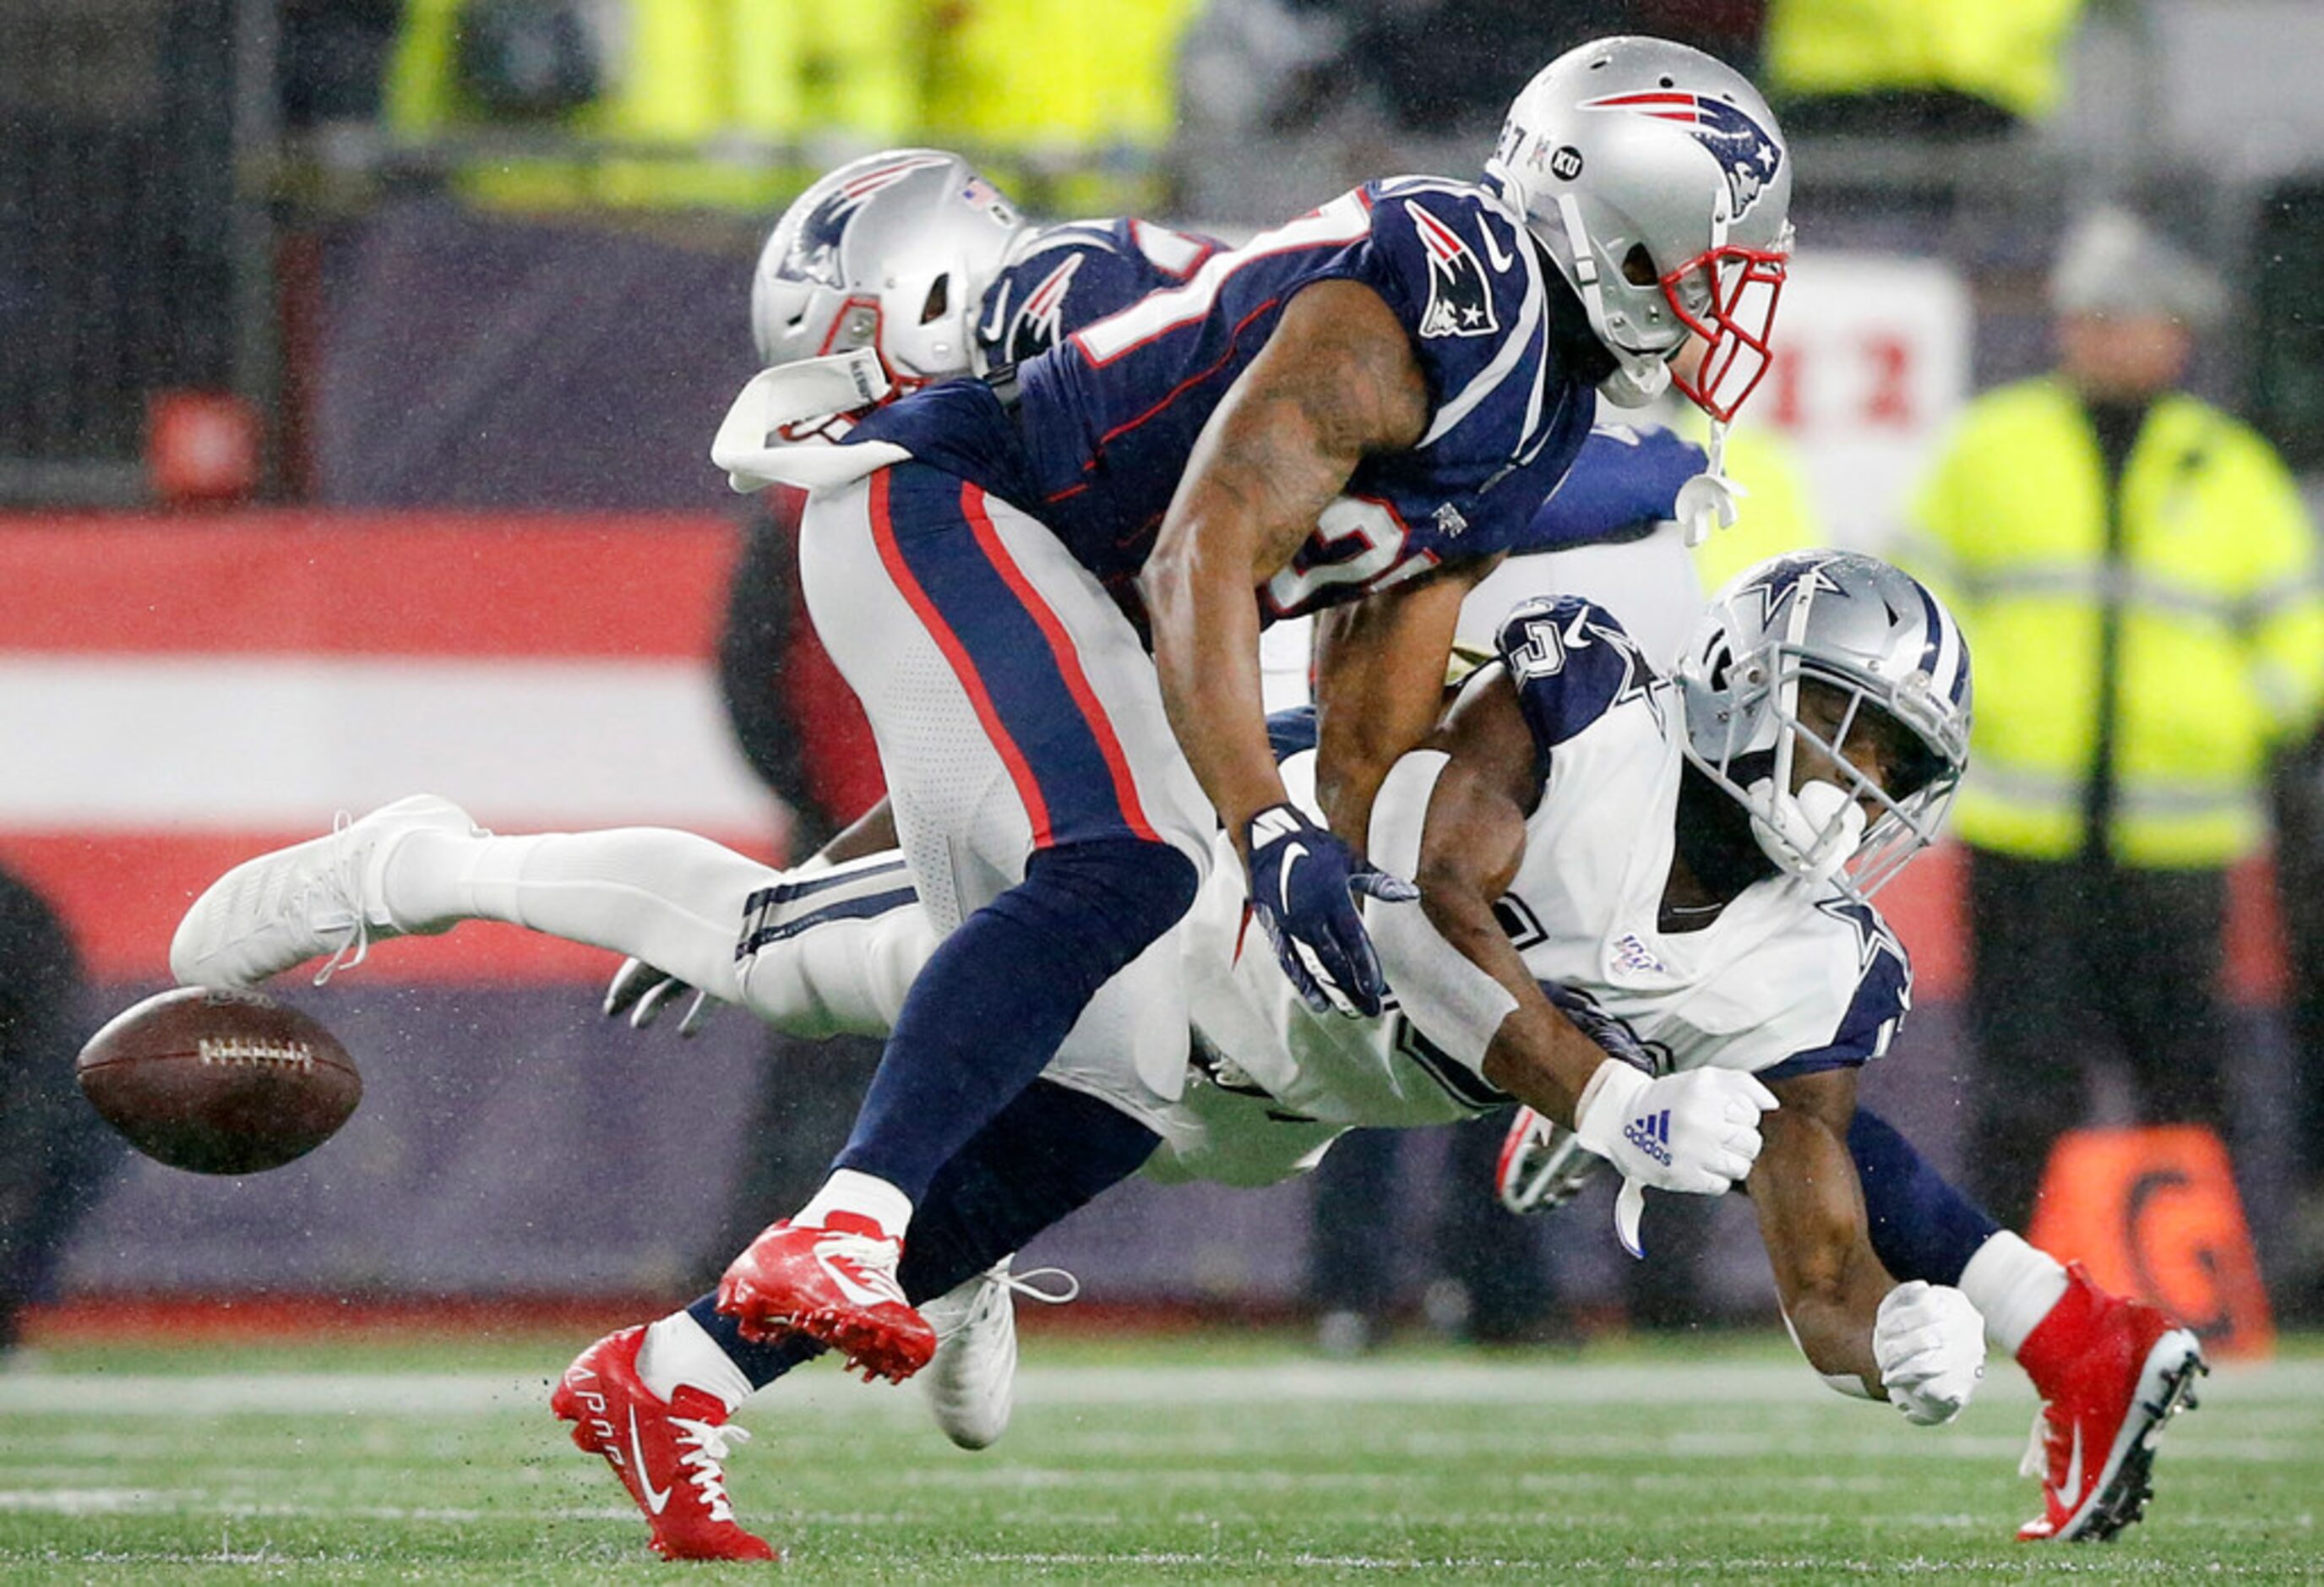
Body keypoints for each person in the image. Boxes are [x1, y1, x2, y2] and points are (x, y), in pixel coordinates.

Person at [170, 552, 2203, 1554]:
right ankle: (426, 857)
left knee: (1030, 1172)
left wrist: (1904, 1357)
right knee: (765, 950)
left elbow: (1824, 1252)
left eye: (1891, 764)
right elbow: (1440, 914)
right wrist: (1597, 1090)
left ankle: (694, 1368)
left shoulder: (1811, 962)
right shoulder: (1590, 707)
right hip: (1180, 913)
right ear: (1754, 682)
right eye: (1838, 727)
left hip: (1267, 1099)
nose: (1854, 790)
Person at [1900, 206, 2324, 1230]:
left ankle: (2200, 1288)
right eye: (2088, 316)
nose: (2104, 336)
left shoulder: (2232, 471)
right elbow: (1915, 596)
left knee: (2189, 1080)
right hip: (2022, 828)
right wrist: (1974, 702)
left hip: (2180, 841)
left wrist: (2229, 718)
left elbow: (2301, 640)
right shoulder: (1992, 450)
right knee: (2019, 1083)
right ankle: (2000, 1289)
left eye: (2127, 318)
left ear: (2177, 335)